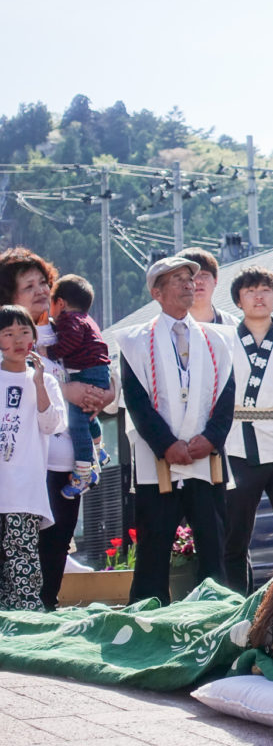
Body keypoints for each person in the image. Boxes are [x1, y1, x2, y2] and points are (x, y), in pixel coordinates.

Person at [111, 256, 235, 605]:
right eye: (177, 279)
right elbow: (135, 401)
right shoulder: (135, 341)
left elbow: (227, 393)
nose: (188, 284)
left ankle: (216, 615)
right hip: (159, 459)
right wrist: (166, 444)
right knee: (153, 547)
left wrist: (211, 438)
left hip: (204, 458)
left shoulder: (218, 338)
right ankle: (146, 619)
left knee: (213, 544)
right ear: (157, 291)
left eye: (190, 278)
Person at [0, 248, 114, 610]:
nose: (38, 291)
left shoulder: (69, 326)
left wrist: (105, 392)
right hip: (25, 466)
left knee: (55, 549)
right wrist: (68, 391)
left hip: (68, 460)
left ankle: (44, 612)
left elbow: (104, 367)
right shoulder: (7, 339)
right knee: (17, 552)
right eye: (27, 286)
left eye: (43, 283)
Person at [218, 266, 273, 595]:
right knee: (234, 535)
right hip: (237, 444)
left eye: (265, 290)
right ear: (238, 301)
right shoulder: (223, 340)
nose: (259, 296)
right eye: (250, 291)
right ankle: (234, 604)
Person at [0, 305, 66, 611]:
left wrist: (39, 383)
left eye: (24, 332)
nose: (17, 340)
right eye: (8, 333)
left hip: (24, 495)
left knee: (23, 572)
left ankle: (25, 637)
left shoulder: (47, 382)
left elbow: (52, 425)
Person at [45, 274, 110, 497]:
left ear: (60, 303)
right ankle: (99, 449)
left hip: (88, 372)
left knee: (78, 422)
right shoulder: (85, 318)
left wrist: (51, 351)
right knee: (89, 414)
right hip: (99, 371)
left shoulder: (70, 320)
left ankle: (84, 471)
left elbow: (70, 341)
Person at [177, 247, 235, 325]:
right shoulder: (161, 329)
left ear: (215, 280)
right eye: (191, 276)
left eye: (204, 275)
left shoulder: (233, 327)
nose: (198, 281)